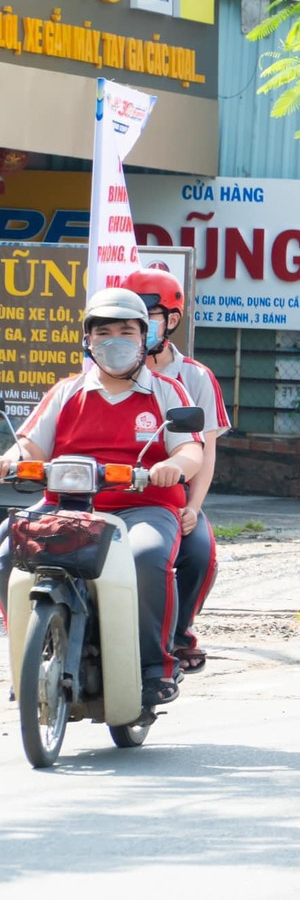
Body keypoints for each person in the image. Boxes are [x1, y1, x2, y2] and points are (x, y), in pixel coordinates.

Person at [0, 288, 204, 707]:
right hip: (65, 505)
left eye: (127, 331)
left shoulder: (167, 393)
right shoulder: (67, 391)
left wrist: (175, 466)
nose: (115, 340)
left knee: (147, 557)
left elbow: (191, 449)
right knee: (6, 550)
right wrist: (12, 459)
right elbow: (30, 446)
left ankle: (155, 668)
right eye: (103, 331)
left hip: (144, 506)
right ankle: (26, 657)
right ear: (87, 341)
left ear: (145, 337)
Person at [119, 268, 231, 676]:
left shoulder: (195, 377)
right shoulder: (103, 371)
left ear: (172, 320)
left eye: (147, 315)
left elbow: (206, 450)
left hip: (173, 494)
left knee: (200, 554)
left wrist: (193, 507)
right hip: (111, 487)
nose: (134, 327)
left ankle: (178, 633)